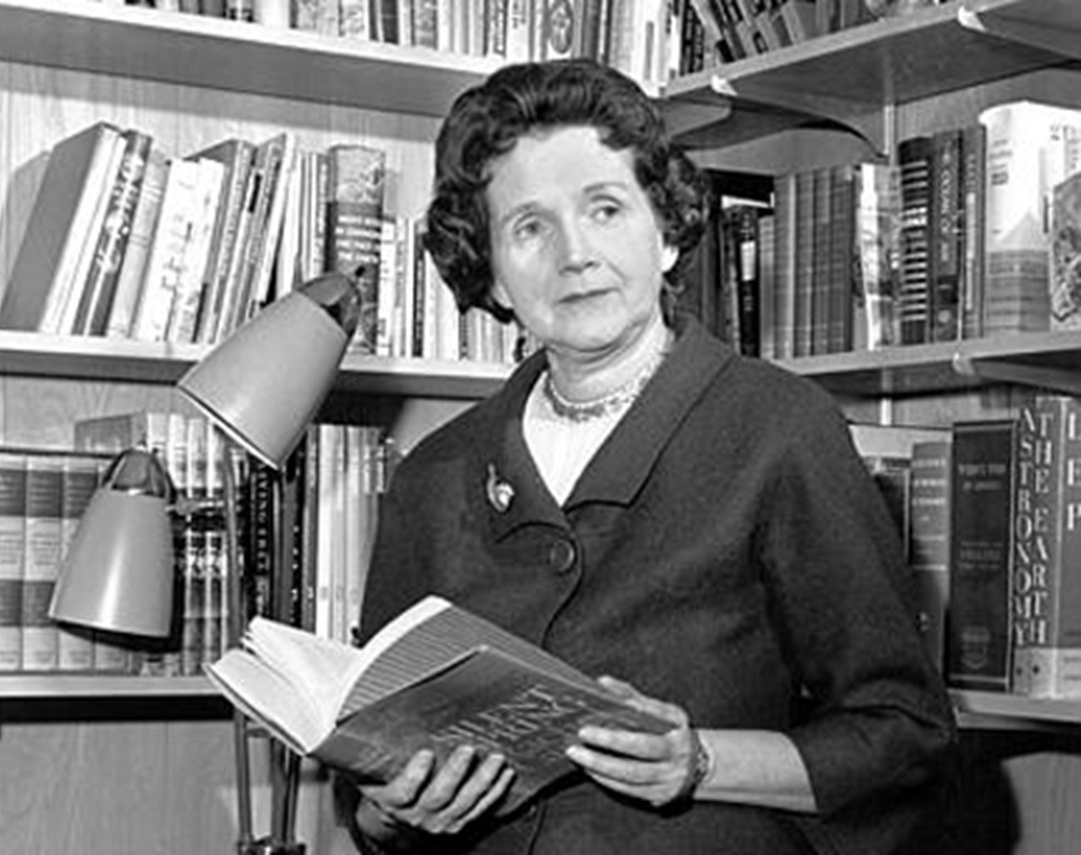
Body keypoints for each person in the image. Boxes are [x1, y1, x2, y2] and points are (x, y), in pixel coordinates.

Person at [340, 58, 957, 854]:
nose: (575, 254)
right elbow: (370, 778)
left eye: (605, 208)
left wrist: (699, 761)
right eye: (529, 227)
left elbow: (904, 734)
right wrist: (389, 813)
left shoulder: (779, 426)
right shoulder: (433, 473)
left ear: (665, 232)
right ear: (490, 276)